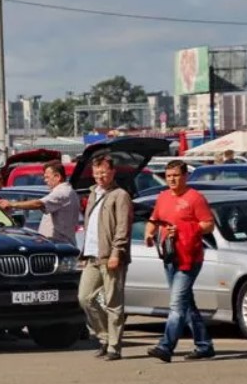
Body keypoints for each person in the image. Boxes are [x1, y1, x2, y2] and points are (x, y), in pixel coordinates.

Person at [144, 160, 216, 362]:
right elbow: (154, 218)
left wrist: (187, 229)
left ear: (185, 176)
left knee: (176, 304)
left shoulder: (195, 198)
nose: (172, 179)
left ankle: (166, 346)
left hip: (190, 258)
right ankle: (204, 345)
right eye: (168, 176)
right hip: (170, 255)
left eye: (176, 175)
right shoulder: (163, 197)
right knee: (186, 304)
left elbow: (208, 225)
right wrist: (149, 233)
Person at [78, 153, 133, 361]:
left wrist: (116, 253)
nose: (100, 176)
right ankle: (104, 337)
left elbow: (122, 228)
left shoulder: (120, 195)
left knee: (113, 302)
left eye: (104, 172)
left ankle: (114, 346)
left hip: (111, 256)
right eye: (96, 172)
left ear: (112, 172)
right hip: (92, 255)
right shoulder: (93, 193)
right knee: (85, 298)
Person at [0, 160, 79, 246]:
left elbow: (38, 204)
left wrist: (12, 204)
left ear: (57, 177)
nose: (45, 180)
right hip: (58, 243)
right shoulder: (68, 191)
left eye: (47, 177)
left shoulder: (62, 192)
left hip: (59, 244)